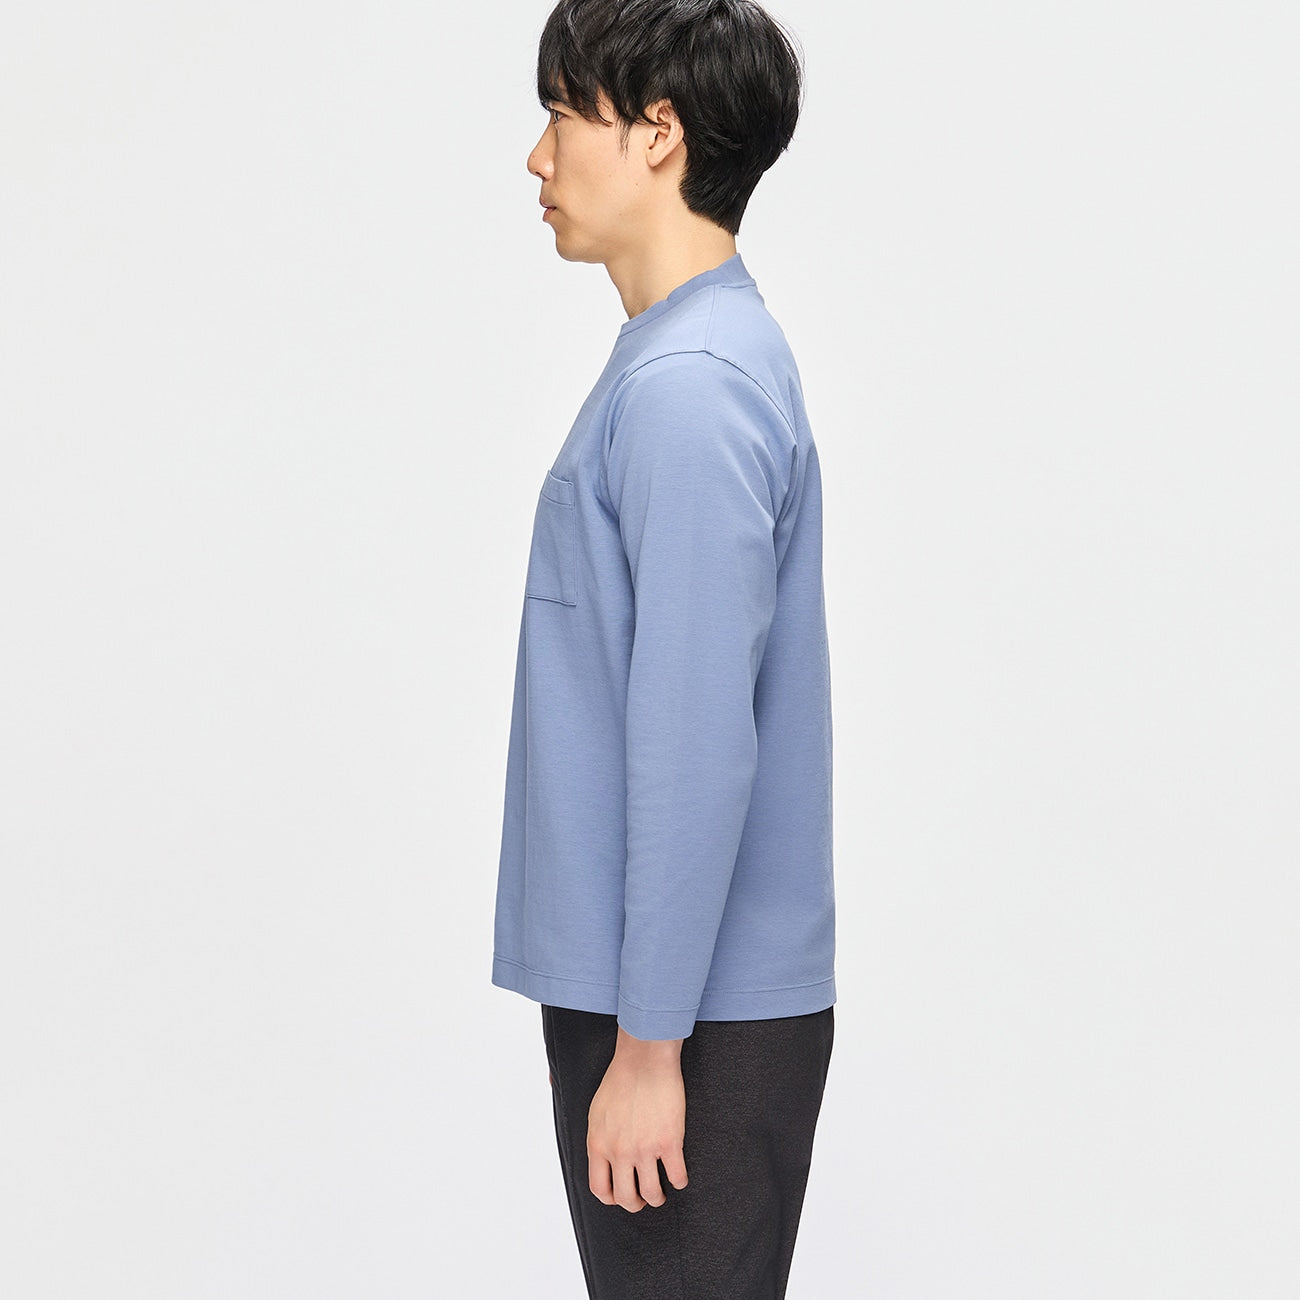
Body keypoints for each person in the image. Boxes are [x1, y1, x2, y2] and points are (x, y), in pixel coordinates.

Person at [491, 1, 837, 1294]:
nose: (537, 157)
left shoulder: (690, 387)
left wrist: (648, 1051)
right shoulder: (684, 359)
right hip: (675, 1000)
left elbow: (696, 744)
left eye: (562, 114)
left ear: (657, 131)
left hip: (687, 1018)